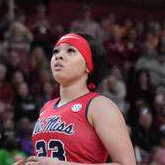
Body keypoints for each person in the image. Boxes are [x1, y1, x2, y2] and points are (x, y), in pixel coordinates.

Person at [15, 33, 135, 165]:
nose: (58, 55)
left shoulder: (99, 105)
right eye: (56, 51)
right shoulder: (46, 108)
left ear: (87, 65)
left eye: (71, 50)